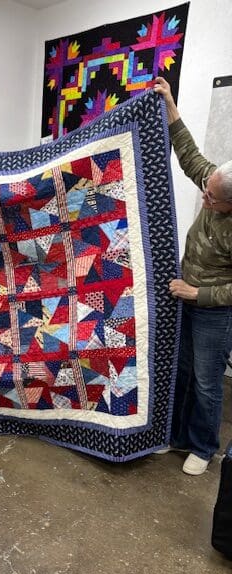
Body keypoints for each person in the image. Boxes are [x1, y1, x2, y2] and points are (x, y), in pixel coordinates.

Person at [153, 77, 232, 475]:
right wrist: (170, 103)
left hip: (213, 311)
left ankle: (203, 447)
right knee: (181, 371)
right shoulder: (214, 182)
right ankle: (179, 436)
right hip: (185, 297)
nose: (204, 197)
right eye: (207, 189)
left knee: (206, 380)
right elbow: (188, 153)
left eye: (211, 198)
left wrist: (197, 293)